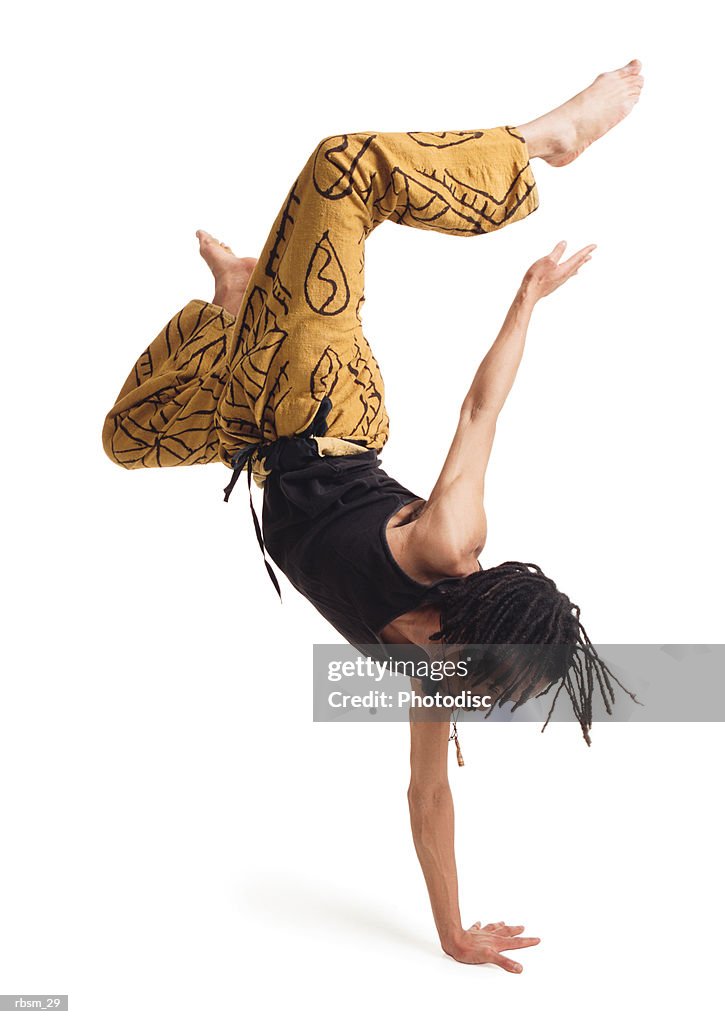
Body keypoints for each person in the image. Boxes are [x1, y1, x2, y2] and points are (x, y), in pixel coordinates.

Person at [102, 60, 644, 969]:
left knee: (123, 438)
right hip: (324, 407)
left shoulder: (436, 678)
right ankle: (542, 142)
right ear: (469, 616)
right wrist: (524, 300)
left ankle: (239, 302)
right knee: (341, 166)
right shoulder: (446, 542)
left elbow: (427, 802)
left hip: (253, 437)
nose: (465, 690)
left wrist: (453, 935)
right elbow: (480, 411)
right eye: (477, 675)